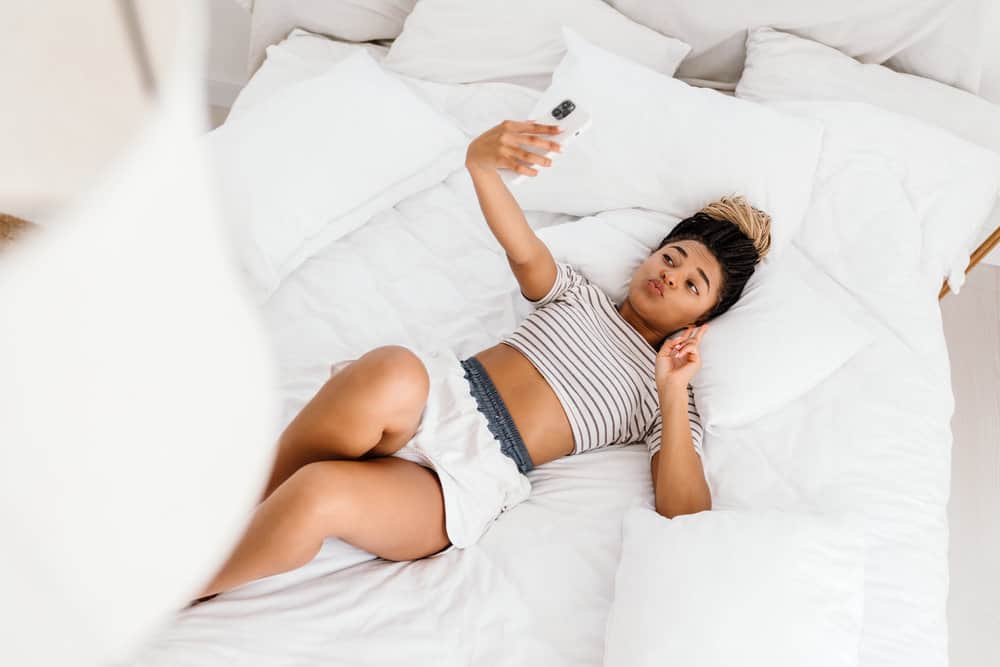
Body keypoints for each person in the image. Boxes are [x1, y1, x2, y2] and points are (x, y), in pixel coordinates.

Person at [191, 120, 771, 604]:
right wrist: (481, 166)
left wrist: (671, 390)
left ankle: (180, 587)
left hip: (466, 477)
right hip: (435, 401)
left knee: (319, 492)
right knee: (393, 366)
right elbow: (522, 246)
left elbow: (684, 510)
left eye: (693, 284)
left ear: (702, 319)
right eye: (671, 257)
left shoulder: (665, 390)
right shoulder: (578, 293)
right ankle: (230, 513)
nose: (672, 274)